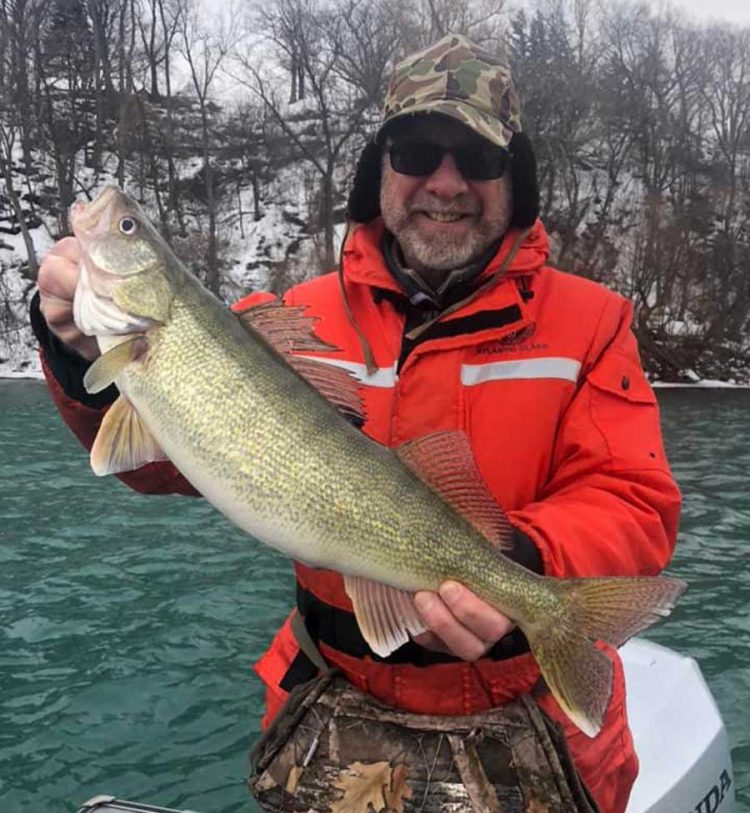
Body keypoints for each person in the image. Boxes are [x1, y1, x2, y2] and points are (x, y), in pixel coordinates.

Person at [32, 34, 681, 812]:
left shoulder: (594, 322)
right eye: (416, 152)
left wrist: (522, 571)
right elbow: (157, 460)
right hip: (329, 709)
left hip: (534, 717)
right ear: (380, 171)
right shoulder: (291, 318)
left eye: (477, 158)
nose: (446, 182)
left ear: (516, 177)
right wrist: (76, 351)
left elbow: (633, 500)